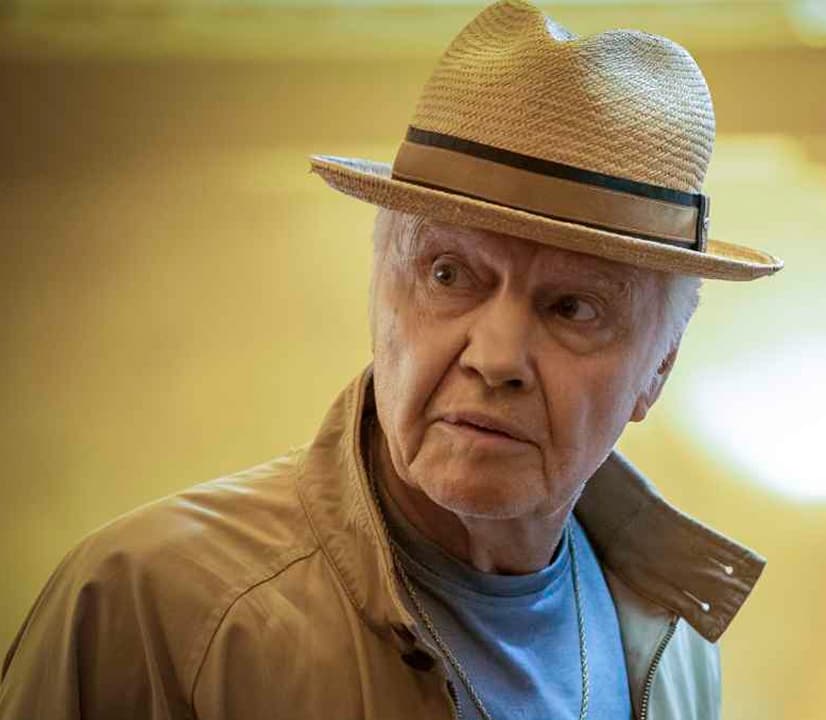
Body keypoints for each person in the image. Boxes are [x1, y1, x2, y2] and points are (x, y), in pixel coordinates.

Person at [0, 1, 783, 718]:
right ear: (380, 291)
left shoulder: (674, 641)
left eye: (574, 307)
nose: (496, 358)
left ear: (658, 369)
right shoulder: (155, 606)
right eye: (449, 275)